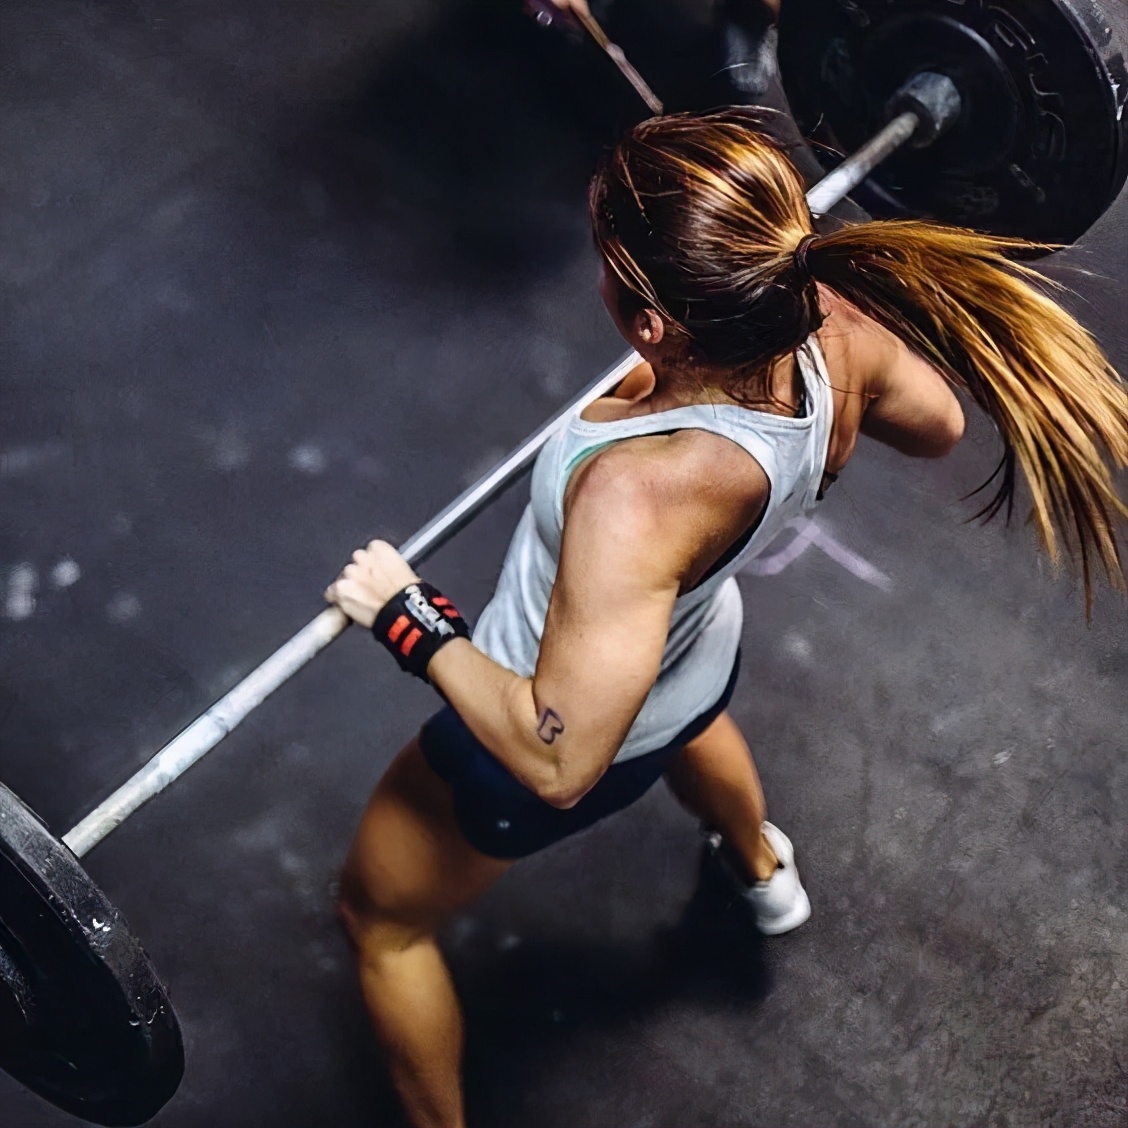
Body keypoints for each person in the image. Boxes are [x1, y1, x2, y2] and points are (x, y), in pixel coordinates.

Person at [326, 112, 1127, 1128]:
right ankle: (760, 871)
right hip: (692, 657)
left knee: (380, 919)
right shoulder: (825, 319)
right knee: (684, 724)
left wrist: (410, 619)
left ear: (652, 323)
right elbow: (938, 426)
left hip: (555, 723)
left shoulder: (639, 500)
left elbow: (557, 758)